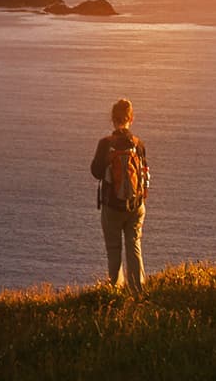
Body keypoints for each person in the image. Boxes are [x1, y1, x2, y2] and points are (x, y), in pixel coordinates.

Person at [91, 98, 148, 293]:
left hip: (112, 206)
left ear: (112, 119)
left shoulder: (105, 144)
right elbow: (144, 172)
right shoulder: (139, 144)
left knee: (114, 248)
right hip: (135, 205)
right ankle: (137, 290)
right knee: (134, 245)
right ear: (131, 118)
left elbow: (96, 172)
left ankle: (115, 290)